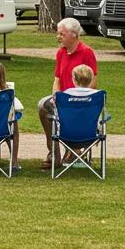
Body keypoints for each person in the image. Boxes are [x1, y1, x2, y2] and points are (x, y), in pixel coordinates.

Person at [37, 18, 98, 170]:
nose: (58, 37)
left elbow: (93, 80)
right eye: (58, 34)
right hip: (63, 98)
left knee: (65, 114)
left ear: (74, 34)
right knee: (42, 106)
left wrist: (80, 97)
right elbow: (57, 80)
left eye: (62, 34)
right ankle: (54, 152)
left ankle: (73, 149)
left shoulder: (86, 52)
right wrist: (56, 97)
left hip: (81, 100)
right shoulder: (61, 53)